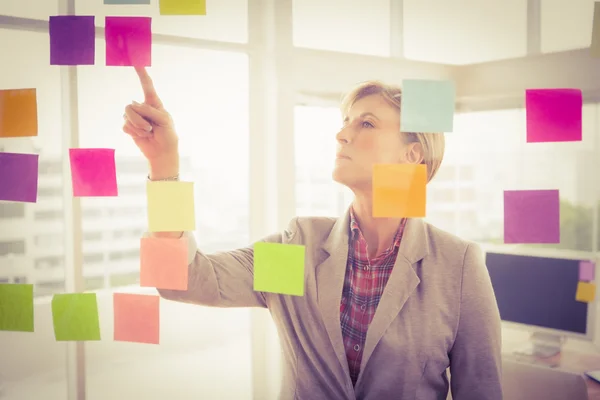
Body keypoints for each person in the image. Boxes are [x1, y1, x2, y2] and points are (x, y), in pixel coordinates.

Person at [123, 67, 502, 400]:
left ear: (412, 155)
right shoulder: (298, 248)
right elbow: (179, 280)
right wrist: (163, 163)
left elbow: (482, 392)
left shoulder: (459, 264)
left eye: (365, 123)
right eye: (346, 121)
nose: (341, 134)